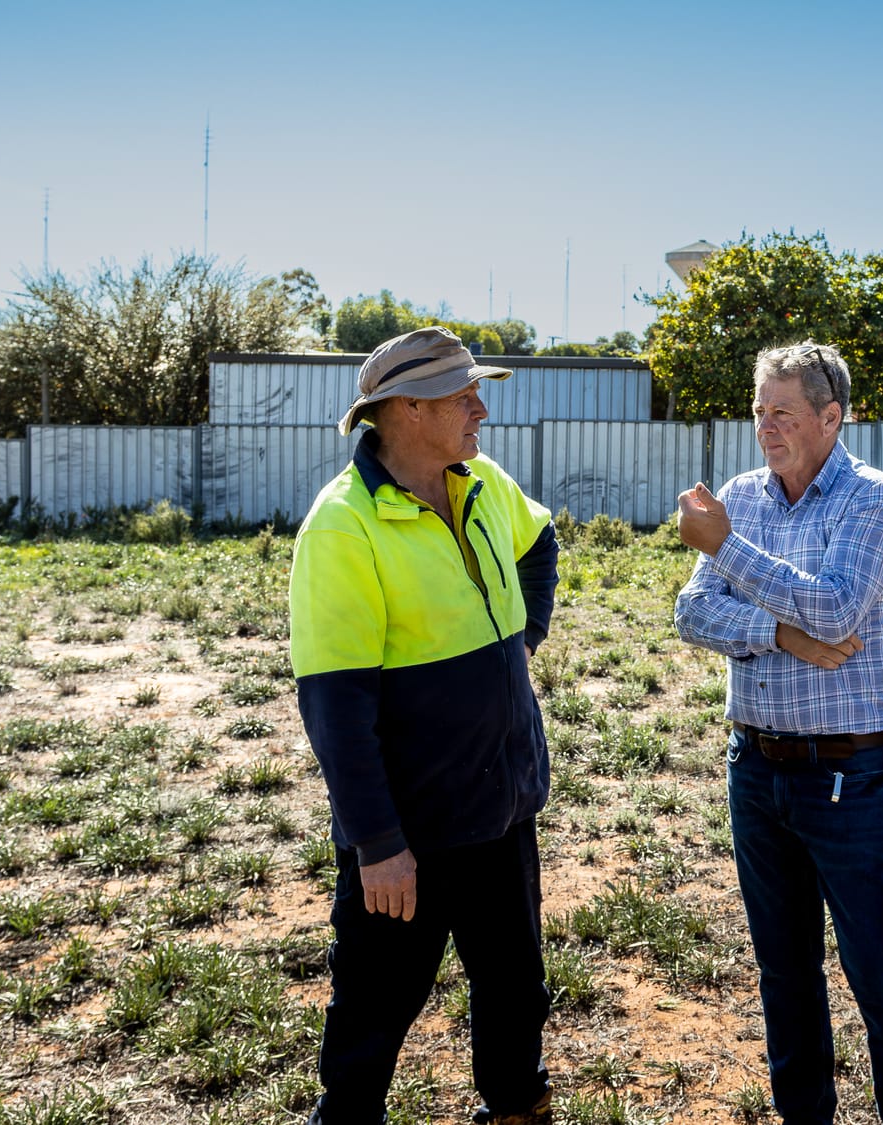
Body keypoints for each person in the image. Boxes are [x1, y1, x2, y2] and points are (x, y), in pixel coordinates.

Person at [673, 342, 883, 1125]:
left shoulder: (874, 498)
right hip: (755, 767)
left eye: (784, 413)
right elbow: (692, 611)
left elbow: (834, 609)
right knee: (784, 972)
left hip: (849, 777)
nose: (766, 427)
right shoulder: (741, 495)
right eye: (759, 411)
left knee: (882, 975)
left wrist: (725, 548)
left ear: (832, 418)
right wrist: (780, 633)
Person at [289, 326, 559, 1125]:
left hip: (502, 806)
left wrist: (524, 635)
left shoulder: (481, 482)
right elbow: (335, 709)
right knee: (374, 1010)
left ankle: (516, 1106)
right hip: (411, 830)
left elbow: (539, 540)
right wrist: (378, 844)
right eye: (462, 396)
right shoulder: (343, 526)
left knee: (515, 985)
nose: (482, 410)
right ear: (407, 408)